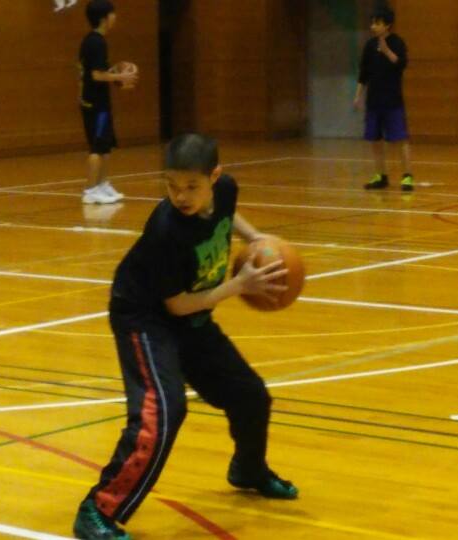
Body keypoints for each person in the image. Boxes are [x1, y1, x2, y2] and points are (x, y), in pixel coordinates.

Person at [73, 134, 298, 540]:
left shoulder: (225, 190)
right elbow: (176, 305)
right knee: (163, 413)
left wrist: (258, 239)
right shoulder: (165, 229)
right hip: (145, 318)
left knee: (250, 395)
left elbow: (228, 213)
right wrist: (239, 285)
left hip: (192, 317)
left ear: (215, 177)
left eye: (192, 186)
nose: (181, 195)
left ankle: (248, 469)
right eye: (172, 185)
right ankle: (98, 509)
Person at [79, 0, 137, 205]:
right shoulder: (96, 42)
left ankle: (102, 184)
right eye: (113, 14)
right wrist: (121, 77)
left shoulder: (95, 41)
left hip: (99, 102)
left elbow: (98, 72)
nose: (115, 17)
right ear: (104, 18)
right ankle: (90, 189)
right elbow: (96, 75)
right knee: (96, 148)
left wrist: (113, 73)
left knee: (105, 147)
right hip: (94, 104)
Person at [354, 6, 414, 191]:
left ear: (387, 25)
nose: (373, 26)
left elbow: (402, 64)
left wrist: (387, 50)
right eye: (372, 23)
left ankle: (407, 176)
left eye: (377, 23)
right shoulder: (369, 46)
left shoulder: (397, 42)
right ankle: (380, 175)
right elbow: (363, 75)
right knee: (375, 140)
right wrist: (357, 97)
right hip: (374, 101)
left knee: (400, 139)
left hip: (393, 101)